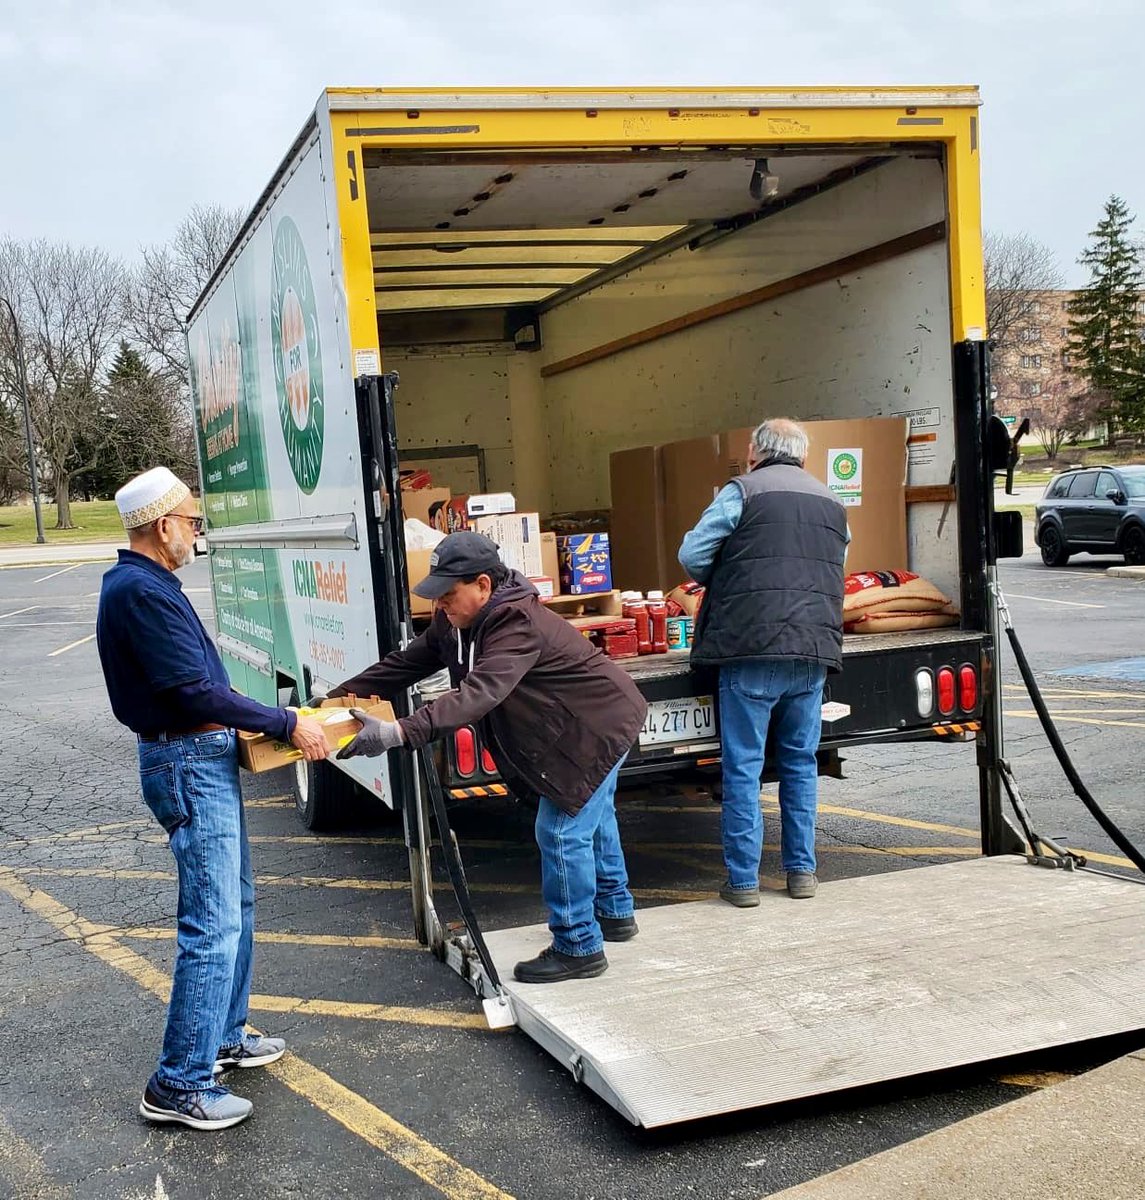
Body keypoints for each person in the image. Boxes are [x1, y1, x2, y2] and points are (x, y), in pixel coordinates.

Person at [95, 467, 330, 1131]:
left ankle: (222, 1037)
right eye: (192, 521)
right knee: (213, 922)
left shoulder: (145, 585)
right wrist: (283, 721)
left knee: (235, 907)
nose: (197, 532)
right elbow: (192, 691)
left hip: (197, 758)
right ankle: (178, 1083)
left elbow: (198, 687)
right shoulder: (141, 591)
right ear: (161, 524)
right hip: (187, 762)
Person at [327, 531, 647, 984]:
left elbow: (478, 694)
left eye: (448, 594)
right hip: (590, 720)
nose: (440, 605)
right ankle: (615, 913)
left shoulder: (516, 622)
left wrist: (399, 733)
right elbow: (405, 664)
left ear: (483, 585)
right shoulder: (456, 623)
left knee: (560, 830)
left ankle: (578, 946)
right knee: (593, 818)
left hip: (597, 727)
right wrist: (336, 699)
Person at [679, 419, 848, 906]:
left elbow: (692, 554)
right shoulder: (831, 501)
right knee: (800, 765)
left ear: (755, 452)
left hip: (751, 647)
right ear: (803, 456)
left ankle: (743, 882)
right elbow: (835, 559)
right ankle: (802, 874)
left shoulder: (742, 492)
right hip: (812, 649)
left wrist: (730, 572)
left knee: (743, 768)